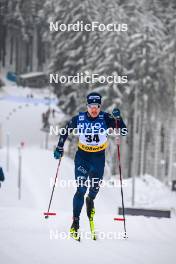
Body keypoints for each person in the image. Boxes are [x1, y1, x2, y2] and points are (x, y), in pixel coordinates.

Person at [53, 92, 127, 240]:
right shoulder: (79, 119)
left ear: (100, 107)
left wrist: (118, 119)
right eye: (91, 106)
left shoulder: (105, 118)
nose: (94, 110)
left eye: (97, 107)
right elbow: (66, 130)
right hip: (82, 157)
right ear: (87, 106)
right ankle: (75, 223)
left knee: (94, 188)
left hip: (98, 158)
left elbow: (123, 131)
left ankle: (90, 199)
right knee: (81, 189)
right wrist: (60, 147)